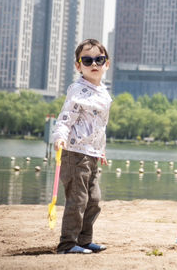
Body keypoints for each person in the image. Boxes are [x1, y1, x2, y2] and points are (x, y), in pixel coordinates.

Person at [52, 38, 112, 254]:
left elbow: (99, 126)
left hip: (92, 153)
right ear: (78, 66)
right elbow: (65, 118)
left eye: (99, 59)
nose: (94, 64)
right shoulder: (77, 90)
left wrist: (100, 150)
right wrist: (60, 137)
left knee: (94, 200)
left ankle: (84, 240)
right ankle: (67, 243)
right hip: (74, 153)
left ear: (107, 63)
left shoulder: (103, 93)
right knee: (77, 199)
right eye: (87, 60)